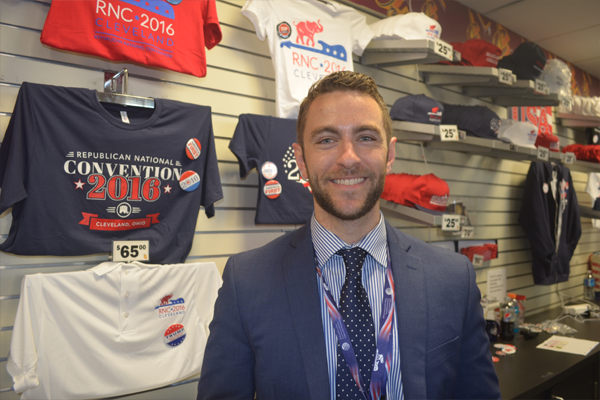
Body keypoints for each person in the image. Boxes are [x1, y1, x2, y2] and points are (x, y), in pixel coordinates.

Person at [197, 71, 501, 400]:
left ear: (390, 153)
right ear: (301, 159)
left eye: (366, 137)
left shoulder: (453, 277)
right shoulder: (246, 281)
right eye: (327, 140)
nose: (348, 158)